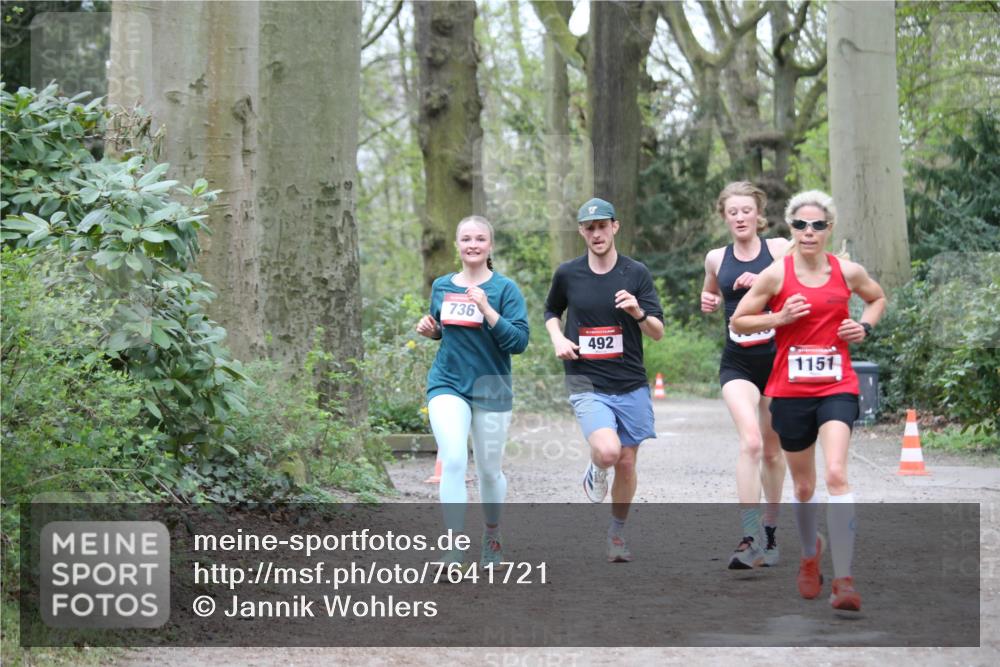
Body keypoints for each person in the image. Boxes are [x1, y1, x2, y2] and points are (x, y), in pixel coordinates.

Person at [731, 190, 885, 611]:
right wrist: (778, 319)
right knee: (803, 486)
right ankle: (809, 553)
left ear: (830, 228)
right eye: (800, 225)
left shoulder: (847, 271)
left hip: (838, 385)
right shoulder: (776, 275)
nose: (809, 232)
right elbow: (739, 319)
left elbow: (877, 297)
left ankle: (845, 580)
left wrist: (864, 327)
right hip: (790, 391)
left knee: (836, 473)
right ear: (791, 229)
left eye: (818, 225)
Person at [544, 197, 664, 563]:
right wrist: (559, 338)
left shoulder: (636, 273)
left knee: (627, 462)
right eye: (589, 227)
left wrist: (637, 312)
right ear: (582, 231)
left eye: (602, 226)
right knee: (610, 453)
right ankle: (596, 467)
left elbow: (657, 331)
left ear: (615, 227)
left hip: (630, 381)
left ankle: (616, 534)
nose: (596, 233)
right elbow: (552, 311)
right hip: (586, 380)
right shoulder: (568, 273)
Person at [416, 215, 530, 569]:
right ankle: (452, 550)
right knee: (452, 459)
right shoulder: (441, 285)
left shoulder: (505, 290)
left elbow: (519, 342)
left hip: (491, 387)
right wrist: (431, 330)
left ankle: (492, 538)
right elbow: (446, 330)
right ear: (457, 244)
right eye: (466, 239)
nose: (473, 245)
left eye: (480, 239)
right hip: (448, 382)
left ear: (490, 246)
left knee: (489, 472)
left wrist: (487, 310)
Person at [700, 182, 790, 569]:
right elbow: (712, 295)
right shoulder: (716, 258)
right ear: (724, 216)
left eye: (746, 211)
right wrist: (711, 300)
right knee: (751, 443)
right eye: (732, 212)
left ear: (758, 215)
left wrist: (765, 282)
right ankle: (749, 535)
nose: (740, 217)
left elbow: (802, 284)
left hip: (777, 360)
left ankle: (771, 531)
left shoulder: (780, 250)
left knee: (772, 450)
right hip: (737, 362)